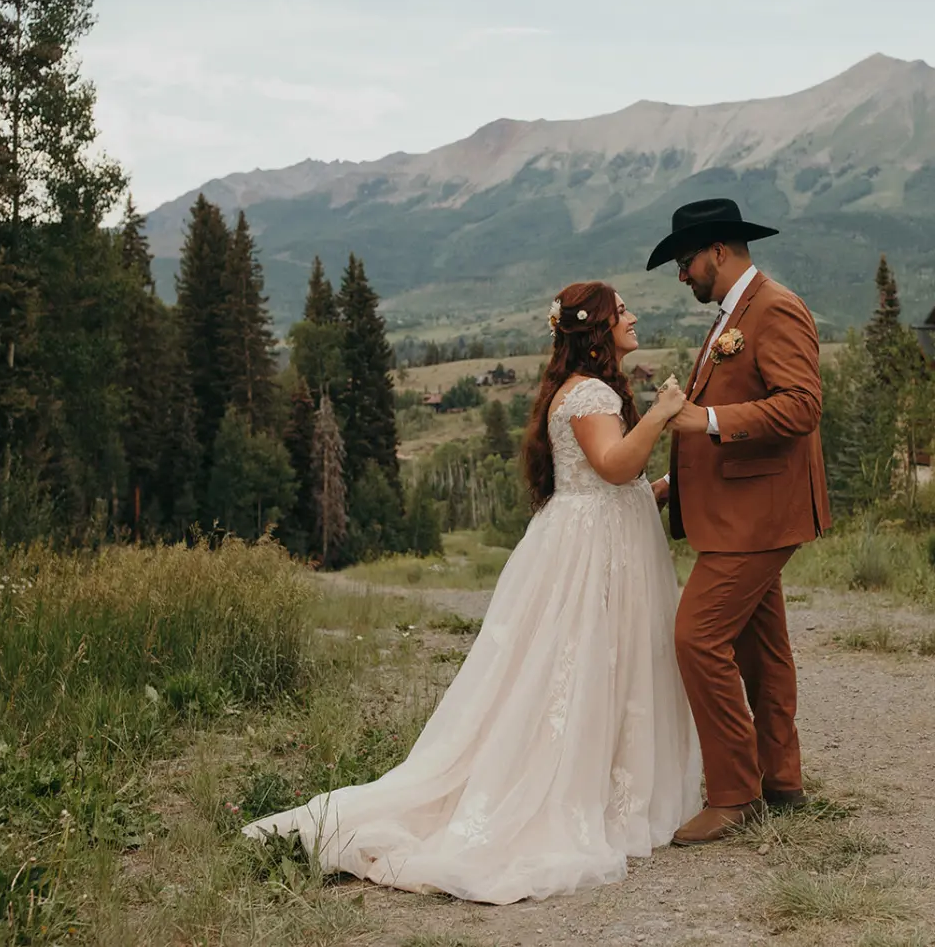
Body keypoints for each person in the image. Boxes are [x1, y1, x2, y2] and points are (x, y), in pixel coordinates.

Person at [241, 281, 702, 904]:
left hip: (590, 541)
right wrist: (661, 412)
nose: (634, 316)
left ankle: (604, 774)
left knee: (590, 664)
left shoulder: (578, 389)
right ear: (598, 330)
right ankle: (579, 786)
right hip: (590, 555)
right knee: (585, 663)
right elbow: (614, 467)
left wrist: (667, 486)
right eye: (622, 311)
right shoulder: (591, 393)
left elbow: (613, 489)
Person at [644, 198, 832, 846]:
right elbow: (733, 403)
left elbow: (801, 405)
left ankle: (733, 794)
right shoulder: (734, 313)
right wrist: (673, 484)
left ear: (718, 251)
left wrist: (706, 420)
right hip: (740, 510)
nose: (681, 275)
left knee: (696, 638)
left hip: (759, 515)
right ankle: (781, 780)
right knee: (761, 648)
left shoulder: (773, 308)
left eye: (684, 261)